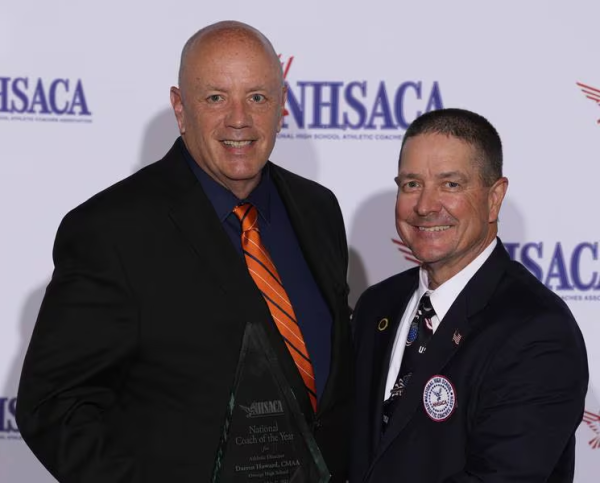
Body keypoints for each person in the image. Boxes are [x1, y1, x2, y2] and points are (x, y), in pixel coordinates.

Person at [16, 21, 353, 482]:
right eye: (215, 97)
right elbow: (54, 406)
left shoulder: (318, 210)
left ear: (281, 107)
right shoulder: (111, 230)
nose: (240, 118)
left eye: (257, 97)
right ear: (180, 108)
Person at [350, 108, 588, 482]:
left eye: (451, 185)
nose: (425, 206)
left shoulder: (538, 332)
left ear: (494, 198)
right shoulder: (376, 306)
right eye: (411, 184)